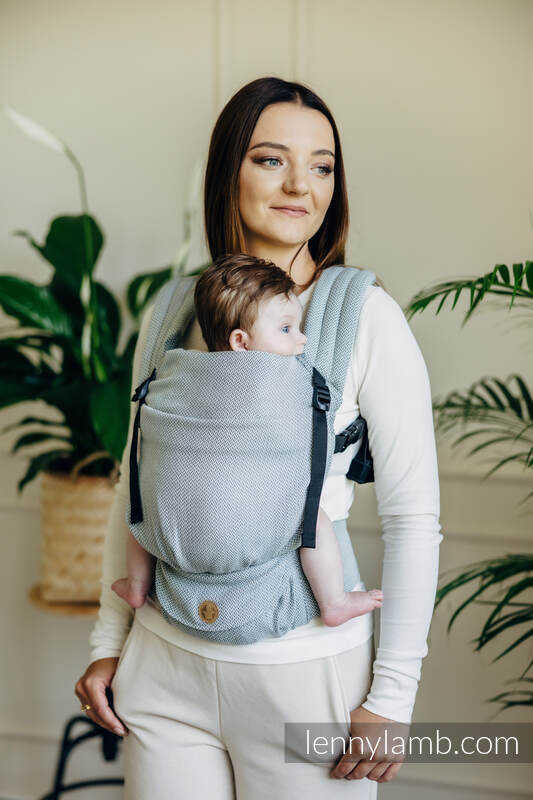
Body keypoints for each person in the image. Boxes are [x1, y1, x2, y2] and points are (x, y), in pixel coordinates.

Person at [75, 76, 442, 798]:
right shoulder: (172, 310)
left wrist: (393, 696)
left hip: (304, 673)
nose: (300, 184)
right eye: (271, 159)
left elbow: (412, 517)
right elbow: (135, 489)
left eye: (322, 166)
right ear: (228, 173)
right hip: (162, 667)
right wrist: (109, 642)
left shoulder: (364, 317)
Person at [110, 253, 384, 627]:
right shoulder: (284, 381)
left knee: (141, 519)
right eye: (286, 329)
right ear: (240, 341)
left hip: (173, 522)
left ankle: (137, 585)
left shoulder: (178, 372)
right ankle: (334, 601)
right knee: (316, 523)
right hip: (252, 529)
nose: (302, 339)